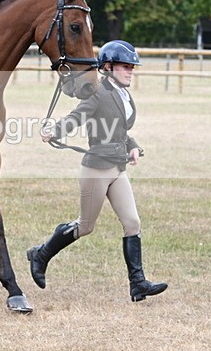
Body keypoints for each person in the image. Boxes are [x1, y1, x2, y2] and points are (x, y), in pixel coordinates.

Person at [27, 40, 167, 302]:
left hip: (118, 168)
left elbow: (121, 130)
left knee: (132, 222)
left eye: (132, 67)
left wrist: (133, 146)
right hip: (97, 169)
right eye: (126, 66)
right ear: (108, 67)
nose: (130, 71)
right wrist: (55, 131)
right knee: (86, 226)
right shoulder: (97, 93)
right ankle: (41, 254)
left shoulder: (124, 94)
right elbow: (76, 116)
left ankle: (138, 285)